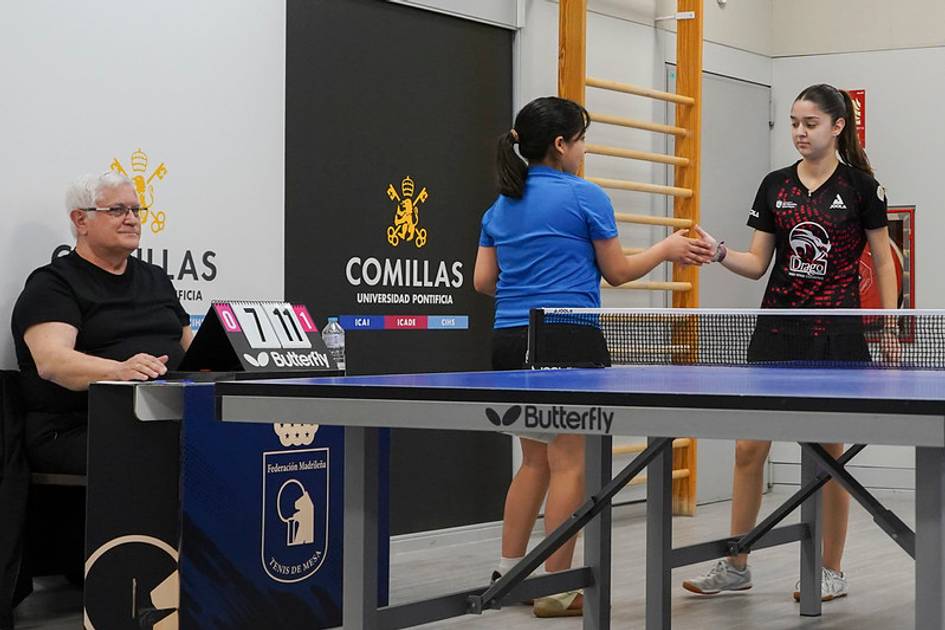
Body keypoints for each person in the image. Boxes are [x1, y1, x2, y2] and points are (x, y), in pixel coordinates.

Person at [474, 95, 712, 618]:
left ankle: (508, 571)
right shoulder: (586, 197)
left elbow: (483, 282)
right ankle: (558, 588)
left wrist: (528, 291)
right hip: (567, 337)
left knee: (533, 460)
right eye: (581, 139)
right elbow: (620, 271)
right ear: (561, 145)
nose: (584, 149)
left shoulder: (500, 205)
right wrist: (668, 250)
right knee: (570, 464)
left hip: (509, 339)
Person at [682, 84, 898, 602]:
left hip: (838, 334)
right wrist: (718, 252)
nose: (800, 132)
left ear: (837, 126)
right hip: (776, 331)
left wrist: (888, 324)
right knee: (748, 447)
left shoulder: (863, 188)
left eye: (811, 124)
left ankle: (830, 570)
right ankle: (735, 563)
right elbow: (757, 264)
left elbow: (883, 260)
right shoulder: (774, 186)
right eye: (795, 123)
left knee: (829, 454)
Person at [12, 170, 193, 476]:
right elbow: (52, 362)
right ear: (81, 220)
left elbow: (192, 350)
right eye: (118, 210)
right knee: (170, 455)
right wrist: (119, 370)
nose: (132, 219)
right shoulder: (54, 284)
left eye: (135, 210)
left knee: (224, 442)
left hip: (163, 418)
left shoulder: (156, 279)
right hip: (77, 428)